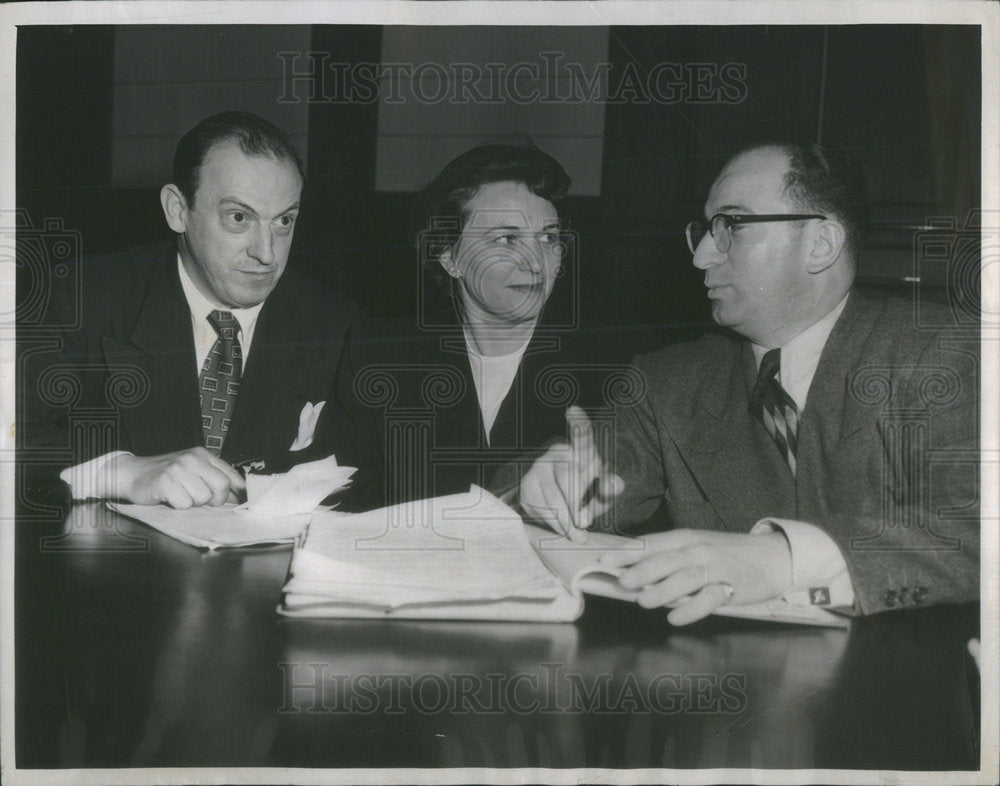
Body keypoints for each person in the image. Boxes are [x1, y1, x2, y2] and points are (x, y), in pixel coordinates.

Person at [515, 142, 979, 625]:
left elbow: (979, 530)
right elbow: (515, 504)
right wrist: (547, 488)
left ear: (821, 244)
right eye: (704, 230)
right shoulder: (668, 382)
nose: (701, 257)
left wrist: (786, 558)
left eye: (732, 225)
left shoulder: (949, 355)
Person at [21, 111, 361, 509]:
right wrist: (120, 472)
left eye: (284, 221)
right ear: (178, 210)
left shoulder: (340, 325)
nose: (267, 253)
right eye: (239, 218)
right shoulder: (80, 299)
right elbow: (12, 434)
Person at [318, 139, 629, 510]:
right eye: (507, 238)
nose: (536, 262)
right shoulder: (380, 353)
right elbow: (343, 498)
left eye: (549, 237)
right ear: (450, 256)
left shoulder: (613, 364)